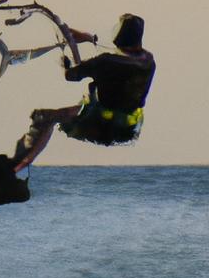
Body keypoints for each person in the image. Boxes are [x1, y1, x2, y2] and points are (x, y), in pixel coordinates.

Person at [11, 14, 155, 172]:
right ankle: (18, 165)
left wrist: (66, 64)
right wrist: (89, 38)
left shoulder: (105, 62)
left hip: (100, 123)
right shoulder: (148, 60)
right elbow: (119, 57)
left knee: (44, 117)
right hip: (130, 127)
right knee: (72, 109)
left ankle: (16, 167)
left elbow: (71, 76)